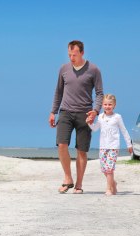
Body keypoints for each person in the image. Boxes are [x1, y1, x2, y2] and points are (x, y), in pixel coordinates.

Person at [49, 40, 104, 194]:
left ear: (82, 53)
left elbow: (99, 93)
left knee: (81, 151)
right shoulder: (63, 69)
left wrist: (95, 111)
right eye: (69, 54)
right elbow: (58, 91)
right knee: (61, 144)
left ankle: (79, 184)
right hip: (65, 111)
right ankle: (68, 178)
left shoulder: (93, 69)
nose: (71, 57)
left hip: (85, 114)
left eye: (74, 54)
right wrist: (53, 111)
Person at [87, 94, 132, 196]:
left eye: (110, 104)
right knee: (103, 169)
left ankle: (109, 189)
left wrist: (129, 144)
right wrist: (89, 123)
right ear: (102, 105)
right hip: (103, 146)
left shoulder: (117, 117)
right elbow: (94, 129)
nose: (107, 106)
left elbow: (124, 130)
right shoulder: (100, 117)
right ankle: (113, 183)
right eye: (105, 104)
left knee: (109, 168)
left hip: (113, 147)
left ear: (114, 105)